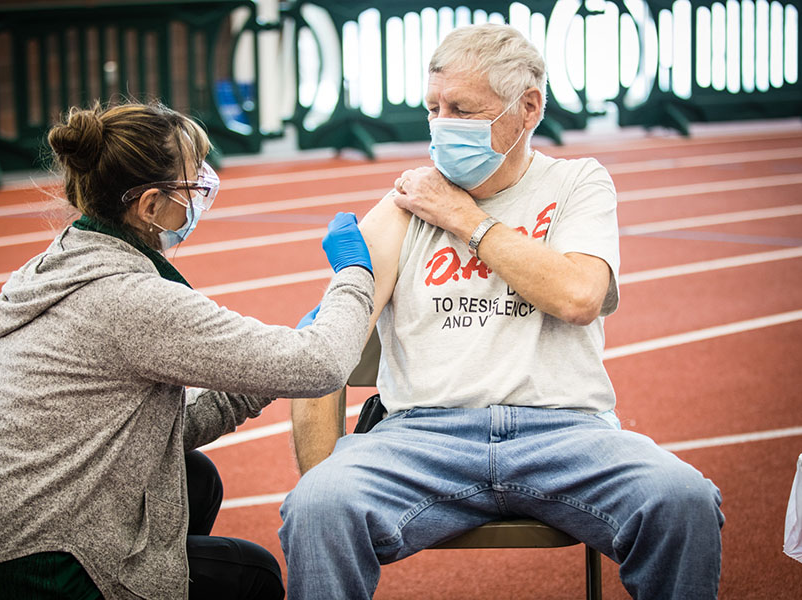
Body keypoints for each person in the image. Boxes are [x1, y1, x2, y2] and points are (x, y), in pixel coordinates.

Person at [279, 23, 724, 600]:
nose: (441, 125)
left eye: (462, 109)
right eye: (433, 108)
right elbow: (326, 349)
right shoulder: (403, 206)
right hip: (422, 436)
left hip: (565, 431)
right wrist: (325, 484)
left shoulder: (576, 183)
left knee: (683, 501)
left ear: (528, 108)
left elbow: (579, 296)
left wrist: (466, 219)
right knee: (316, 507)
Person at [0, 100, 375, 600]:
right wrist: (354, 276)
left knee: (191, 479)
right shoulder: (132, 299)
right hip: (22, 566)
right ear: (151, 206)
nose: (204, 191)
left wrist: (262, 376)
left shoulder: (60, 262)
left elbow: (164, 431)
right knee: (253, 576)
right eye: (195, 182)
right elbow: (322, 364)